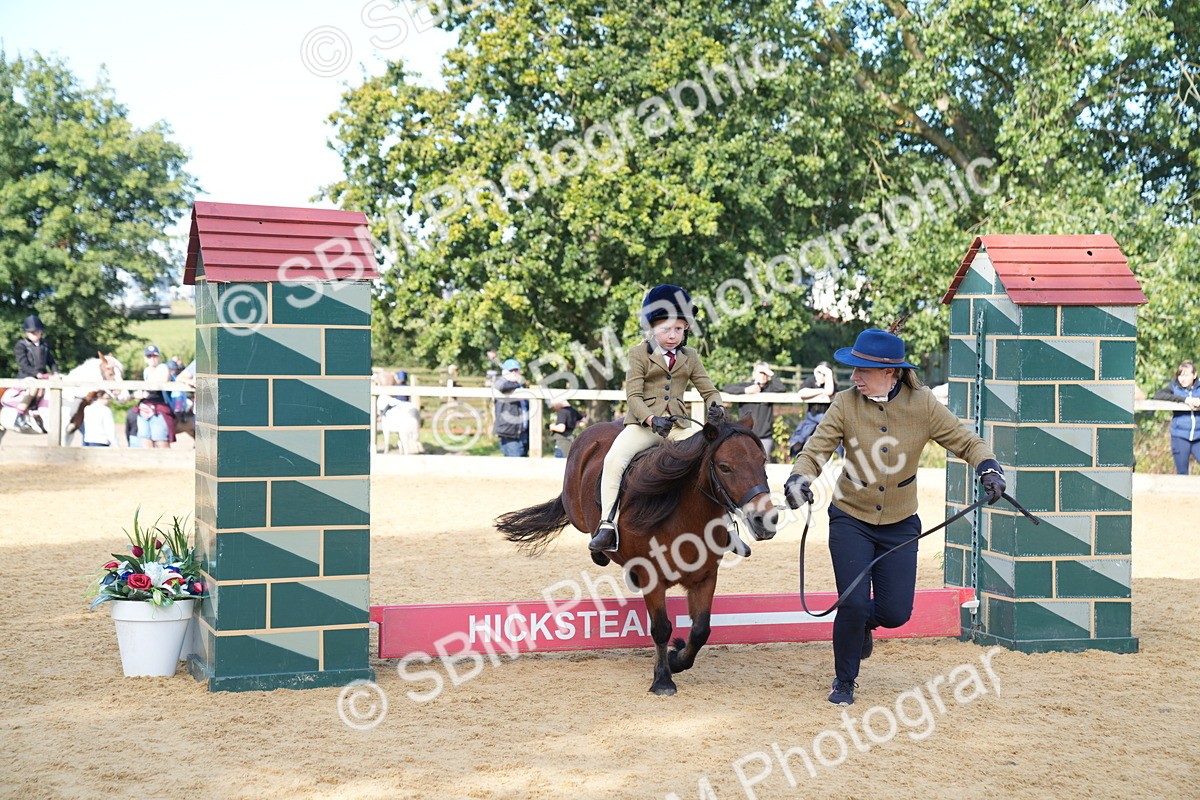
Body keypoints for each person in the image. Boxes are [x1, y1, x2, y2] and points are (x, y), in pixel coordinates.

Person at [784, 328, 1005, 707]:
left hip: (901, 521)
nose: (854, 377)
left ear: (892, 373)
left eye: (862, 371)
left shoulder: (923, 404)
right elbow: (816, 449)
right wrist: (798, 478)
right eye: (853, 370)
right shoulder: (844, 403)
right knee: (852, 602)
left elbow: (965, 440)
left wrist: (988, 466)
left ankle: (863, 625)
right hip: (850, 516)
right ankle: (844, 681)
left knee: (895, 612)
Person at [589, 284, 727, 553]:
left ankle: (728, 525)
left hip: (677, 426)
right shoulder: (638, 353)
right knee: (614, 460)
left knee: (712, 457)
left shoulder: (691, 356)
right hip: (644, 426)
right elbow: (633, 397)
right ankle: (607, 524)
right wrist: (651, 420)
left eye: (679, 329)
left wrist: (716, 407)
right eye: (666, 329)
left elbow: (709, 390)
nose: (673, 335)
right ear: (651, 328)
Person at [723, 361, 786, 458]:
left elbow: (782, 388)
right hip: (745, 436)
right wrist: (746, 390)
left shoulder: (770, 388)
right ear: (754, 374)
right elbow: (727, 387)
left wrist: (770, 373)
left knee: (762, 468)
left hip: (764, 437)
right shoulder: (746, 385)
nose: (763, 375)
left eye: (765, 373)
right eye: (760, 372)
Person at [12, 314, 58, 433]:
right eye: (32, 333)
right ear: (27, 333)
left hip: (41, 377)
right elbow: (23, 364)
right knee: (34, 388)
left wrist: (55, 372)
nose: (36, 335)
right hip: (26, 375)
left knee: (46, 390)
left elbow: (51, 361)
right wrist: (36, 374)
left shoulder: (45, 344)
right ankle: (19, 416)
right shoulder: (21, 345)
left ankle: (36, 412)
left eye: (37, 332)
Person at [1153, 359, 1200, 475]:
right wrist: (1185, 400)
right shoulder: (1174, 387)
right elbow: (1158, 395)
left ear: (1194, 375)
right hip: (1180, 436)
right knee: (1182, 472)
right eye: (1180, 375)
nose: (1182, 379)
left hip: (1198, 437)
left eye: (1186, 375)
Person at [788, 361, 838, 459]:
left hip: (826, 419)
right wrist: (820, 391)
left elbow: (829, 391)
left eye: (824, 373)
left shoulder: (831, 383)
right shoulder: (811, 381)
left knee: (835, 441)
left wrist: (828, 375)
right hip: (811, 418)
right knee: (800, 437)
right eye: (819, 372)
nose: (821, 376)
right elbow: (802, 393)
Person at [133, 345, 174, 449]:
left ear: (158, 357)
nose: (152, 359)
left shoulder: (163, 367)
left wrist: (145, 390)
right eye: (149, 356)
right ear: (145, 358)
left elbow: (163, 381)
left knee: (161, 440)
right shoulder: (146, 371)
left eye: (154, 356)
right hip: (145, 407)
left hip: (159, 407)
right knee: (145, 439)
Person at [493, 358, 530, 457]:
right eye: (511, 371)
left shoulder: (520, 387)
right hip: (509, 433)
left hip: (523, 432)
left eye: (516, 370)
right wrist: (518, 386)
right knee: (516, 465)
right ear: (504, 372)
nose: (514, 373)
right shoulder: (500, 383)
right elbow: (502, 387)